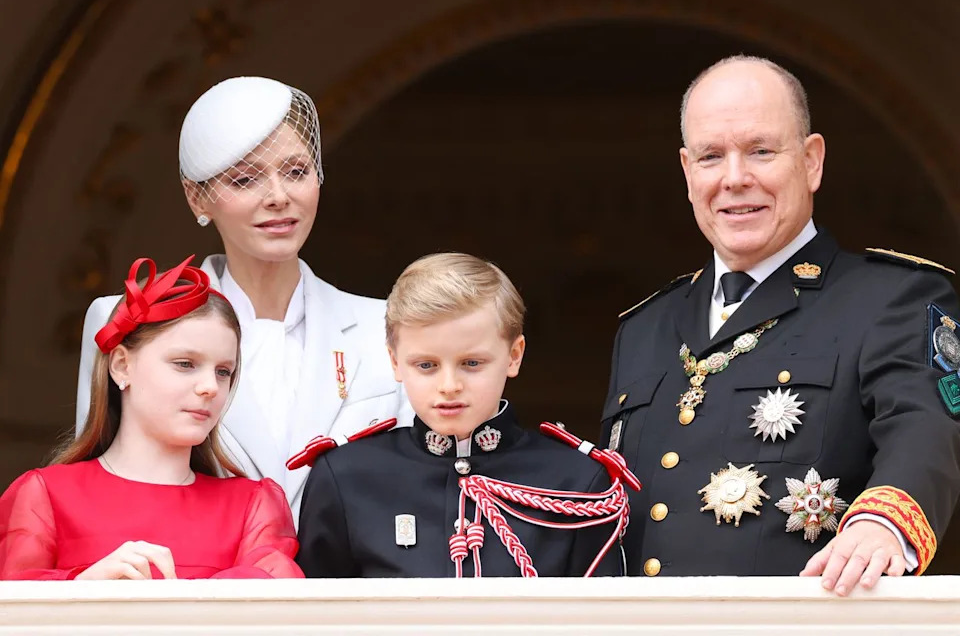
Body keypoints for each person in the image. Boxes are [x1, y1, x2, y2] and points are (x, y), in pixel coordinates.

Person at [600, 55, 960, 593]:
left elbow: (927, 425)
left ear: (812, 161)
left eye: (761, 151)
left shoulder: (892, 297)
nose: (735, 178)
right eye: (711, 157)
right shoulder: (644, 328)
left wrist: (881, 525)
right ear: (686, 171)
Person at [76, 77, 412, 521]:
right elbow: (96, 487)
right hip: (190, 581)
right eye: (246, 179)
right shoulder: (126, 318)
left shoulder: (387, 325)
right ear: (197, 196)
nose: (278, 197)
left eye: (296, 172)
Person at [294, 253, 633, 577]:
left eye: (472, 363)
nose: (449, 385)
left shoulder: (577, 483)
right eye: (426, 365)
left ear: (514, 356)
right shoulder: (347, 477)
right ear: (395, 361)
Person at [1, 256, 303, 580]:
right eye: (185, 363)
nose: (210, 387)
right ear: (121, 365)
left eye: (224, 371)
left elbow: (277, 616)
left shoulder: (254, 507)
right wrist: (81, 589)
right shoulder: (44, 495)